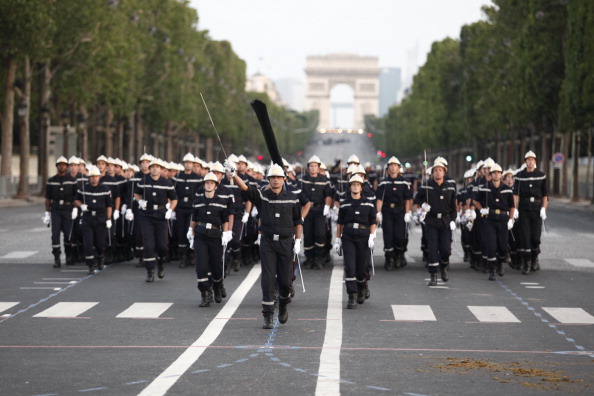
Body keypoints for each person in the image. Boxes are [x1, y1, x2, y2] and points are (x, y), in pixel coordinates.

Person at [228, 162, 302, 329]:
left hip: (286, 242)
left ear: (284, 179)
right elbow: (246, 189)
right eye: (272, 178)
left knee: (285, 281)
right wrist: (233, 175)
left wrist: (297, 240)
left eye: (278, 177)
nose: (275, 180)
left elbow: (298, 221)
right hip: (267, 242)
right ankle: (267, 314)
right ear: (268, 180)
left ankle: (283, 304)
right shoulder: (262, 196)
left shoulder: (292, 198)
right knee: (267, 279)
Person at [333, 174, 377, 309]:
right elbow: (340, 223)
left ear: (361, 187)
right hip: (348, 237)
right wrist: (337, 239)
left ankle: (362, 287)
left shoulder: (368, 203)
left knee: (361, 267)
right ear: (350, 187)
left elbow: (373, 221)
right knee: (350, 267)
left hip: (364, 236)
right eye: (353, 184)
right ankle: (351, 295)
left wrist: (372, 236)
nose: (355, 186)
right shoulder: (345, 203)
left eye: (358, 184)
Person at [187, 172, 231, 307]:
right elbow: (194, 219)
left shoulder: (221, 202)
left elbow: (225, 220)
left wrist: (225, 232)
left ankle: (217, 285)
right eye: (207, 182)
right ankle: (205, 293)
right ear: (204, 185)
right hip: (200, 235)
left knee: (216, 266)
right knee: (201, 266)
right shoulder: (198, 202)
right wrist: (190, 231)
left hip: (215, 235)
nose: (209, 184)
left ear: (216, 186)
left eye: (212, 183)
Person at [414, 159, 457, 286]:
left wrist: (454, 220)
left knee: (446, 249)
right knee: (432, 249)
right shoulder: (427, 185)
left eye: (440, 170)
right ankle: (433, 274)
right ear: (432, 173)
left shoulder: (450, 186)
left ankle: (444, 265)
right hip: (431, 221)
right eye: (435, 170)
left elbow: (453, 205)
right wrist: (423, 206)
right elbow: (417, 200)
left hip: (445, 220)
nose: (438, 173)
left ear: (444, 172)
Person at [134, 158, 177, 282]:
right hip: (146, 215)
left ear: (161, 169)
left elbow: (174, 198)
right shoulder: (143, 181)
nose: (154, 169)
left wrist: (170, 210)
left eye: (157, 167)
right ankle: (150, 271)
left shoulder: (166, 182)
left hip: (161, 215)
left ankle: (161, 263)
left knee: (162, 245)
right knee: (148, 245)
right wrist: (140, 201)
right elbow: (136, 193)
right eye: (152, 167)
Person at [473, 163, 515, 280]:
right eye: (494, 173)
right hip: (489, 219)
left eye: (498, 172)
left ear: (501, 175)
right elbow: (475, 201)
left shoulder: (507, 189)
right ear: (491, 175)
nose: (496, 174)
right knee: (491, 245)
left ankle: (500, 263)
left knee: (502, 246)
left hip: (502, 218)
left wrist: (511, 219)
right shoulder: (485, 187)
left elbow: (512, 206)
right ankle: (492, 269)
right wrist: (482, 209)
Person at [514, 151, 548, 274]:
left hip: (536, 209)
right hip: (523, 209)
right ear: (525, 161)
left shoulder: (541, 175)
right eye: (528, 159)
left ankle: (535, 258)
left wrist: (544, 208)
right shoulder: (519, 176)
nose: (530, 161)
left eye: (532, 159)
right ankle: (527, 262)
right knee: (525, 237)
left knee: (535, 237)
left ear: (535, 161)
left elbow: (545, 195)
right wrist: (515, 209)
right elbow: (516, 194)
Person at [74, 165, 113, 274]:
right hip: (88, 217)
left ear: (99, 177)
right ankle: (90, 264)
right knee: (88, 243)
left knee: (100, 243)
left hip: (100, 218)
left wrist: (109, 218)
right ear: (89, 177)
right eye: (91, 177)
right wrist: (81, 205)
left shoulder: (105, 189)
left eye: (96, 176)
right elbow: (76, 199)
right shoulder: (83, 188)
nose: (94, 178)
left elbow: (109, 205)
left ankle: (100, 257)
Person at [376, 156, 412, 270]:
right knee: (388, 236)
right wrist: (378, 212)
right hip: (387, 212)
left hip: (400, 211)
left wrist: (407, 212)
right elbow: (380, 199)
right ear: (387, 168)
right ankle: (389, 258)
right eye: (390, 165)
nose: (392, 167)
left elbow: (408, 199)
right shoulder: (384, 183)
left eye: (395, 165)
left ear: (398, 167)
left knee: (400, 236)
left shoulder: (404, 182)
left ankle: (398, 255)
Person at [44, 156, 78, 268]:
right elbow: (48, 198)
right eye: (59, 164)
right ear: (57, 166)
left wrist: (75, 208)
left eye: (63, 164)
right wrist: (47, 213)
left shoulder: (73, 181)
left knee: (69, 234)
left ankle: (69, 256)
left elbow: (76, 197)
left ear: (67, 167)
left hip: (68, 209)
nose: (61, 166)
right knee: (55, 235)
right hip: (56, 210)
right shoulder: (51, 181)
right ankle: (57, 258)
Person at [300, 155, 332, 269]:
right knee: (308, 235)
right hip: (307, 210)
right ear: (308, 168)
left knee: (320, 234)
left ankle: (319, 257)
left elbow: (328, 194)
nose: (313, 168)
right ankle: (309, 258)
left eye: (315, 166)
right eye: (311, 166)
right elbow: (300, 193)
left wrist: (327, 206)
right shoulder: (303, 179)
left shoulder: (324, 180)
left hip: (319, 210)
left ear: (319, 168)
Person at [174, 153, 204, 268]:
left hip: (193, 208)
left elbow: (200, 194)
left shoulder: (197, 179)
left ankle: (191, 254)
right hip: (180, 207)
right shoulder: (178, 177)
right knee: (181, 232)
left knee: (192, 231)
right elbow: (173, 193)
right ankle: (182, 256)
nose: (188, 165)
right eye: (186, 163)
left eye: (190, 163)